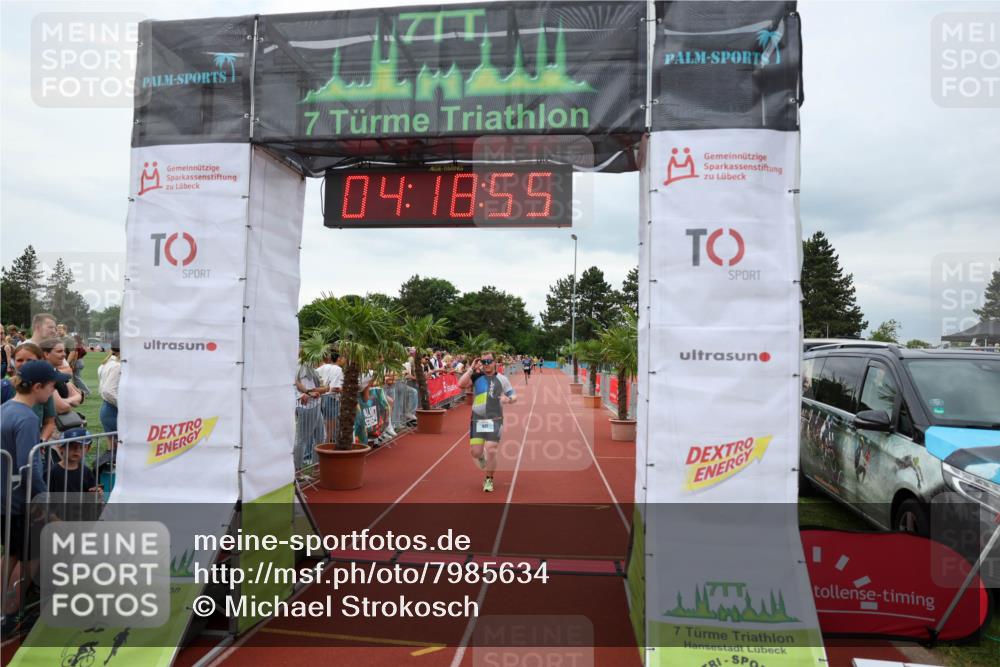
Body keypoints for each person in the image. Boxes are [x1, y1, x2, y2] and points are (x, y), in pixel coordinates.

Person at [1, 360, 66, 622]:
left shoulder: (5, 408)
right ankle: (10, 608)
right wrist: (45, 505)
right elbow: (30, 466)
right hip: (19, 500)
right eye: (51, 387)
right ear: (37, 387)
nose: (53, 392)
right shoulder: (27, 418)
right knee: (28, 554)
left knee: (12, 552)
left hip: (5, 496)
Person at [458, 351, 517, 493]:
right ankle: (481, 456)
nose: (486, 364)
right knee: (476, 453)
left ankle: (489, 479)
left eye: (489, 361)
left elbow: (514, 396)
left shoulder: (502, 379)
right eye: (483, 362)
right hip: (477, 419)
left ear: (495, 362)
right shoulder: (477, 376)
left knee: (491, 449)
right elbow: (461, 384)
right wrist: (471, 368)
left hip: (495, 418)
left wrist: (508, 400)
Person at [8, 343, 57, 440]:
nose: (25, 364)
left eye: (30, 360)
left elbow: (50, 422)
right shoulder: (5, 386)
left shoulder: (43, 388)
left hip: (34, 443)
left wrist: (42, 440)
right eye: (19, 360)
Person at [294, 350, 324, 469]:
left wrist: (314, 391)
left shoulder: (310, 368)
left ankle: (316, 466)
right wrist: (305, 394)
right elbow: (297, 385)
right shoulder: (300, 368)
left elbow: (321, 388)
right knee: (302, 439)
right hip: (306, 407)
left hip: (315, 405)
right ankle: (298, 470)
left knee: (321, 436)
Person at [40, 338, 83, 415]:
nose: (64, 354)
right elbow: (61, 408)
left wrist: (64, 401)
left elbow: (78, 398)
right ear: (46, 354)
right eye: (59, 351)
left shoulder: (56, 372)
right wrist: (68, 402)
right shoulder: (43, 375)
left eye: (64, 351)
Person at [98, 342, 121, 448]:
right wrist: (124, 405)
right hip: (113, 410)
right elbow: (108, 391)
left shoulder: (106, 363)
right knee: (118, 448)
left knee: (112, 448)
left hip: (107, 408)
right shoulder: (117, 366)